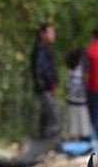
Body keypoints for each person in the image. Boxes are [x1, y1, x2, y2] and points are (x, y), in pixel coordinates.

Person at [28, 22, 60, 157]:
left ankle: (45, 150)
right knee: (51, 119)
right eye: (50, 32)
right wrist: (50, 85)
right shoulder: (40, 50)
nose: (53, 35)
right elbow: (42, 71)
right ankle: (47, 149)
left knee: (47, 119)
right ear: (42, 34)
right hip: (46, 89)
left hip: (46, 89)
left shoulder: (43, 49)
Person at [64, 48, 91, 141]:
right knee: (81, 128)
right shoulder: (79, 71)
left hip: (71, 102)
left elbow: (69, 88)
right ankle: (78, 147)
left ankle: (75, 146)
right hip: (80, 103)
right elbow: (77, 88)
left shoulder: (70, 71)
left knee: (73, 128)